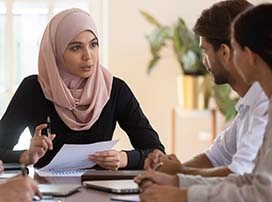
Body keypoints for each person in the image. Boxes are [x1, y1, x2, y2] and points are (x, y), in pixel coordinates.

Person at [135, 3, 272, 202]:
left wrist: (181, 193)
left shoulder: (264, 108)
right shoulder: (256, 104)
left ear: (249, 56)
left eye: (235, 46)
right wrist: (176, 181)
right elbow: (246, 180)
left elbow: (258, 192)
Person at [0, 8, 164, 170]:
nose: (88, 56)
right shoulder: (33, 89)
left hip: (101, 191)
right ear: (55, 52)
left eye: (93, 45)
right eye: (76, 47)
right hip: (46, 192)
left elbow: (157, 152)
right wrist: (26, 156)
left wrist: (124, 158)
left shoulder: (114, 89)